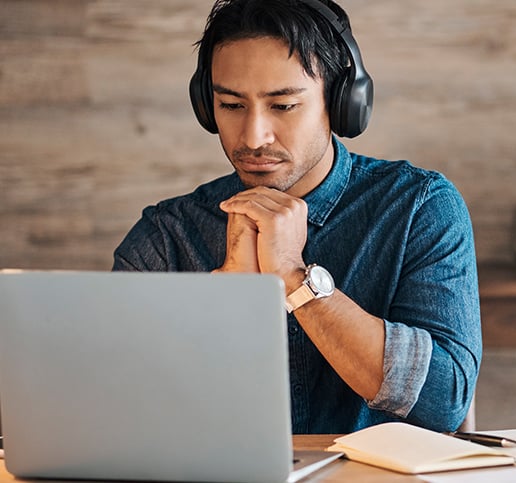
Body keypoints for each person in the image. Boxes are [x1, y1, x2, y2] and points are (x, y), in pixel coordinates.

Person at [113, 0, 482, 434]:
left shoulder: (418, 207)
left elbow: (443, 402)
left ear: (342, 101)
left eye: (283, 105)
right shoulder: (165, 237)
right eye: (231, 105)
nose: (253, 137)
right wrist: (229, 306)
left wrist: (295, 279)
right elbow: (127, 415)